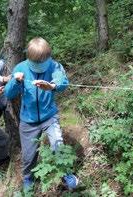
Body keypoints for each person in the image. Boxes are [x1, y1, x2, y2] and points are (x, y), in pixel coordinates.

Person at [4, 37, 79, 191]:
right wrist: (16, 82)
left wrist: (52, 86)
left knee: (57, 144)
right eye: (36, 63)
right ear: (29, 58)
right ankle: (28, 179)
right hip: (28, 120)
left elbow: (62, 81)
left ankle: (67, 174)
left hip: (49, 116)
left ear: (49, 56)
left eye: (43, 62)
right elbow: (9, 94)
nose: (40, 66)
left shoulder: (54, 66)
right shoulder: (21, 68)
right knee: (28, 154)